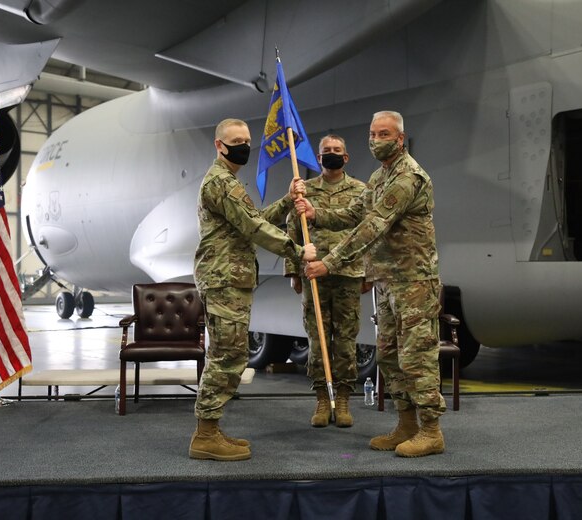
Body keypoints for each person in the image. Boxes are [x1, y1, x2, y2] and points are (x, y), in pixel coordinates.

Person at [297, 111, 446, 458]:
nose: (376, 140)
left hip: (413, 282)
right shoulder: (380, 177)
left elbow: (374, 224)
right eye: (372, 133)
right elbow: (355, 214)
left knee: (417, 358)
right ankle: (407, 425)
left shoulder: (407, 177)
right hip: (387, 282)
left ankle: (431, 431)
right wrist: (317, 213)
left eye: (384, 134)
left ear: (400, 139)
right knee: (390, 357)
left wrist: (329, 262)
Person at [190, 118, 316, 461]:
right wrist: (297, 250)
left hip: (232, 279)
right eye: (236, 141)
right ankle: (204, 436)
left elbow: (252, 220)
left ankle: (212, 430)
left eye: (247, 140)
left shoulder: (228, 181)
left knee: (231, 355)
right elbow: (254, 227)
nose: (244, 146)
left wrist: (288, 201)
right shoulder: (220, 182)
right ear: (219, 145)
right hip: (224, 280)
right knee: (226, 356)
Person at [284, 134, 368, 428]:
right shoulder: (305, 193)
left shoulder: (361, 191)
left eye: (336, 151)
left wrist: (367, 271)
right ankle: (322, 398)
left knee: (345, 339)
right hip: (313, 276)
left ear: (346, 158)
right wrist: (293, 270)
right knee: (317, 339)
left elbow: (368, 234)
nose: (331, 154)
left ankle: (343, 398)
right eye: (326, 151)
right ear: (318, 159)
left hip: (348, 273)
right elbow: (293, 230)